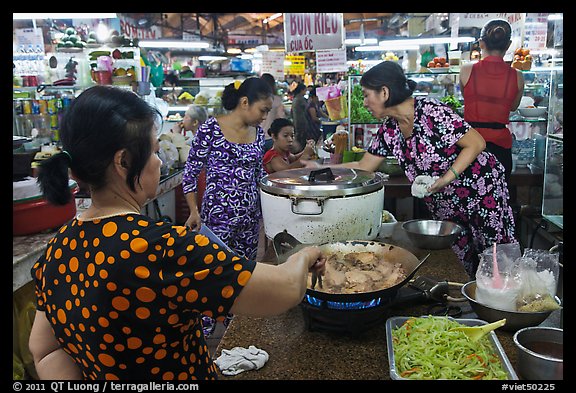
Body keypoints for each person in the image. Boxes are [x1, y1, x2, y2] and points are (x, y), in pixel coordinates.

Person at [28, 85, 325, 381]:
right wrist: (307, 253)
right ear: (124, 162)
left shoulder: (57, 249)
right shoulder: (164, 248)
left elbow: (44, 350)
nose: (160, 161)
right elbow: (285, 289)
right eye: (155, 150)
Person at [304, 61, 517, 278]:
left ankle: (502, 308)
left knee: (495, 257)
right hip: (446, 203)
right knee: (460, 260)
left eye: (367, 95)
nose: (365, 102)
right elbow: (363, 166)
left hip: (482, 192)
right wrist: (323, 168)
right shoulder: (389, 129)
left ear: (384, 92)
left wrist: (445, 179)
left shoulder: (431, 112)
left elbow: (476, 144)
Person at [459, 19, 525, 184]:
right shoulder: (517, 76)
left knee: (468, 198)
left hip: (470, 145)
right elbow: (513, 106)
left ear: (481, 44)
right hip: (501, 148)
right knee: (497, 201)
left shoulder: (466, 70)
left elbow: (467, 98)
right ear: (508, 45)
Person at [260, 73, 286, 152]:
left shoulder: (256, 99)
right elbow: (281, 118)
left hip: (256, 138)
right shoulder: (277, 99)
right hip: (271, 137)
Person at [289, 82, 309, 153]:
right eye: (305, 90)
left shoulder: (295, 98)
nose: (305, 92)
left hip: (296, 122)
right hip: (301, 122)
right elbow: (307, 109)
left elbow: (291, 113)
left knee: (298, 139)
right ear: (301, 90)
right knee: (302, 141)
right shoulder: (300, 99)